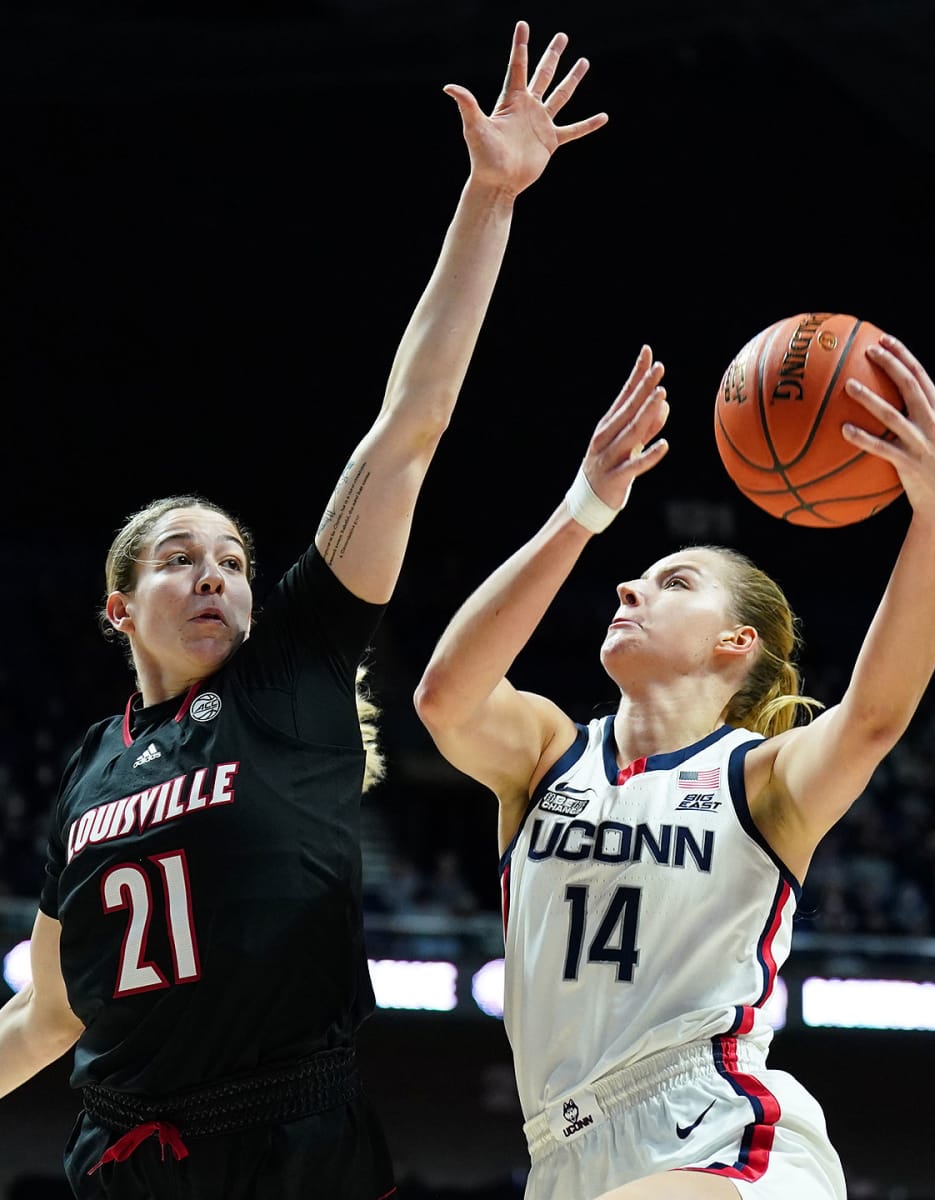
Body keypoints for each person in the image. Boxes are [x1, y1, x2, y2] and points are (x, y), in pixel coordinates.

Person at [0, 20, 607, 1199]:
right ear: (120, 610)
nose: (220, 573)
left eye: (233, 556)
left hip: (294, 1148)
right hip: (121, 1156)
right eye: (183, 559)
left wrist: (489, 200)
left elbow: (411, 425)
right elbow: (47, 1013)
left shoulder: (289, 669)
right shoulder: (87, 772)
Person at [414, 335, 935, 1199]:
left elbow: (873, 719)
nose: (630, 591)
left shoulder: (760, 780)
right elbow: (444, 697)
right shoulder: (548, 754)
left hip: (715, 1125)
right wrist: (582, 510)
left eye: (673, 583)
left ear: (734, 643)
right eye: (632, 580)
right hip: (560, 1151)